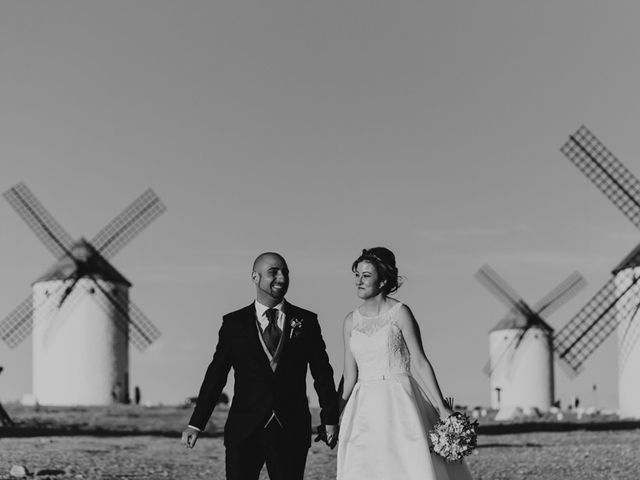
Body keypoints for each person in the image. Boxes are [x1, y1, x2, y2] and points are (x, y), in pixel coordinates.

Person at [182, 252, 340, 480]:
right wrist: (196, 423)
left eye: (285, 272)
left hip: (291, 428)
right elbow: (216, 376)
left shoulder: (307, 322)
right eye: (273, 272)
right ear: (255, 277)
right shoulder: (233, 324)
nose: (282, 278)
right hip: (244, 429)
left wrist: (330, 418)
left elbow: (322, 373)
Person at [337, 247, 473, 480]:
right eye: (357, 275)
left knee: (406, 465)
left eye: (366, 275)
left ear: (382, 281)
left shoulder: (400, 313)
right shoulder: (351, 322)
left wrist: (441, 407)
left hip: (399, 400)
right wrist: (334, 416)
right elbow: (349, 377)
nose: (359, 281)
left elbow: (419, 362)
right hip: (363, 407)